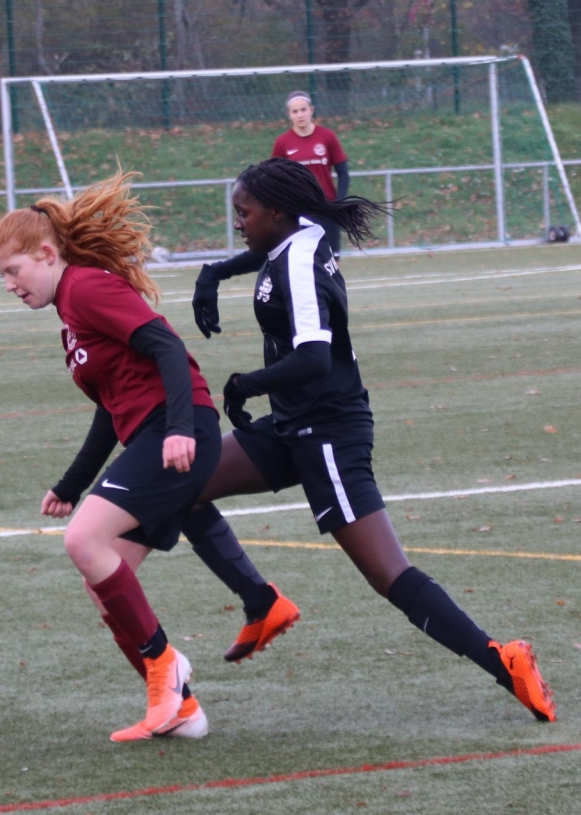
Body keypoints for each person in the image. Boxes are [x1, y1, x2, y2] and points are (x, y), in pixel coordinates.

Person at [185, 156, 555, 721]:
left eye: (244, 212)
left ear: (277, 212)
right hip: (291, 425)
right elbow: (268, 252)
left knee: (389, 574)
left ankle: (503, 660)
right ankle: (261, 602)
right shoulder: (299, 235)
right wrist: (216, 272)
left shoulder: (300, 262)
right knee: (183, 484)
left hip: (327, 434)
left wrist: (244, 384)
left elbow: (313, 358)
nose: (238, 222)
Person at [0, 174, 221, 741]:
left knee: (82, 542)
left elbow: (167, 346)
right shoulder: (70, 313)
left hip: (176, 433)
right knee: (103, 587)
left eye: (13, 270)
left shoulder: (85, 288)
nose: (10, 285)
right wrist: (72, 484)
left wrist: (180, 428)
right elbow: (109, 408)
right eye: (2, 276)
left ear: (47, 255)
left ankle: (165, 666)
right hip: (154, 436)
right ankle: (180, 709)